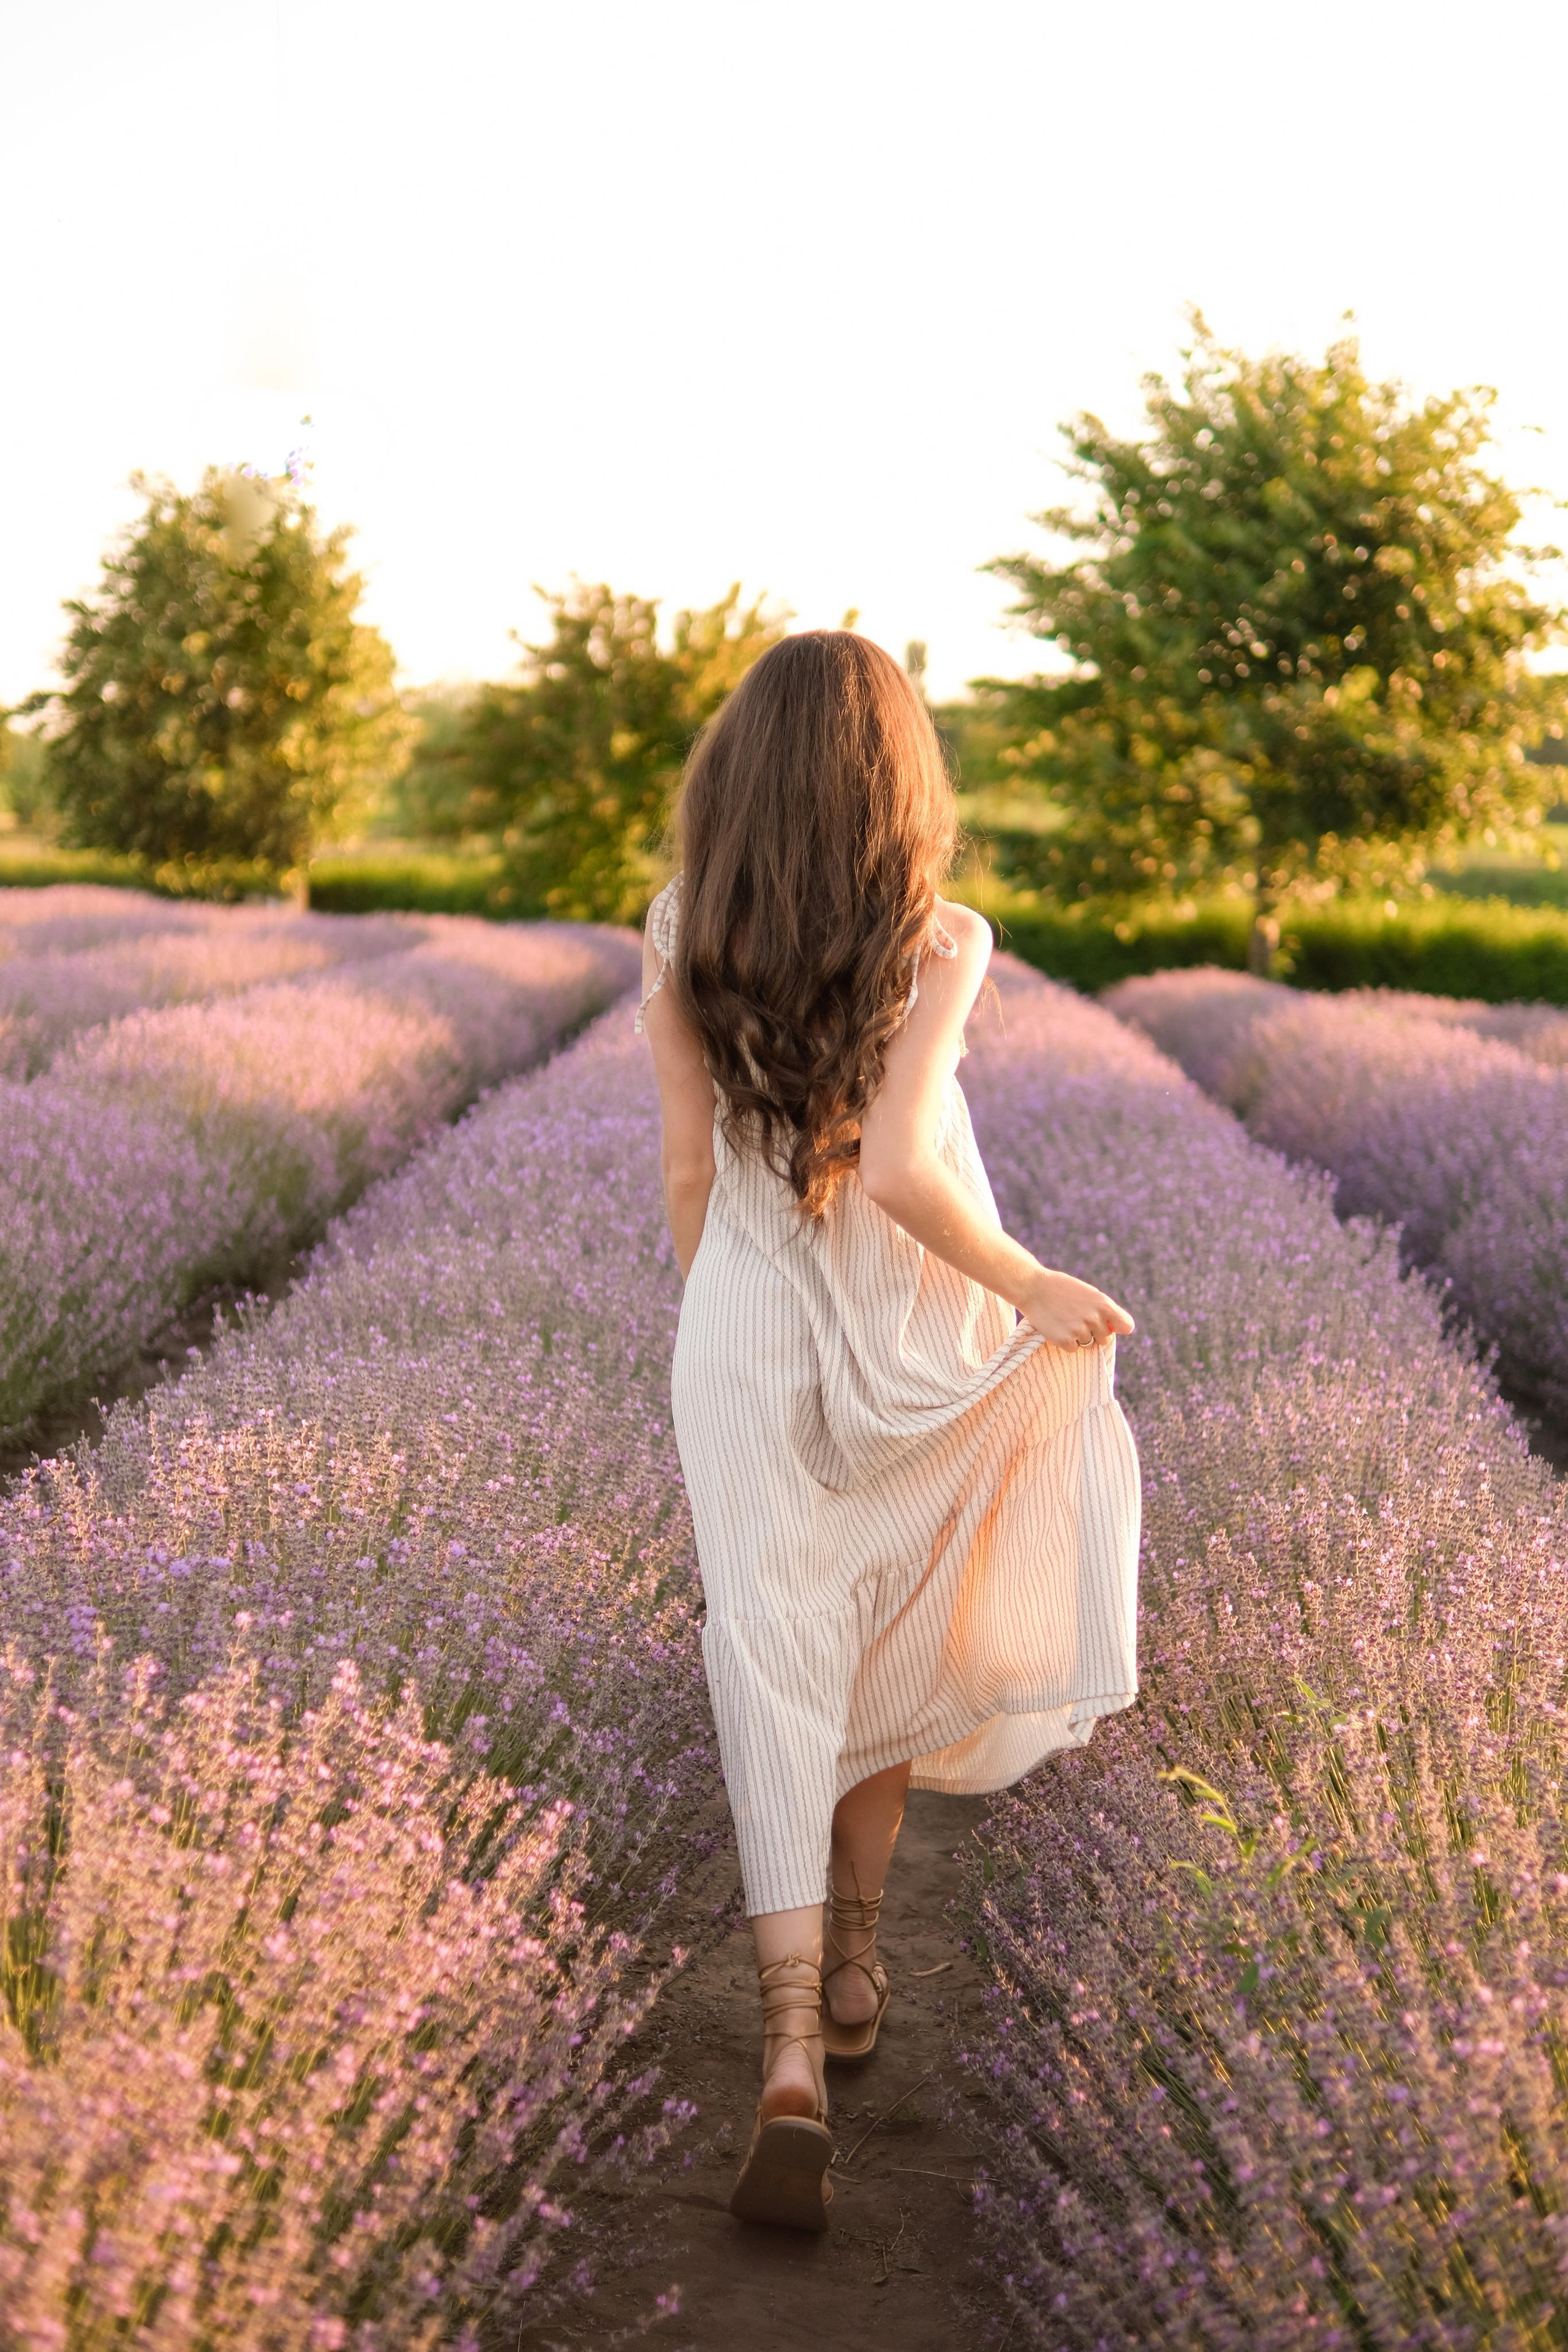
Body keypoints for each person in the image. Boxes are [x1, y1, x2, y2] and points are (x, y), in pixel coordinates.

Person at [636, 631, 1140, 2232]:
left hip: (743, 1320)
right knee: (890, 1626)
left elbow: (687, 1176)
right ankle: (859, 1954)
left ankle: (789, 2046)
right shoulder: (944, 939)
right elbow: (912, 1166)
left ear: (743, 772)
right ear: (894, 778)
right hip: (912, 1316)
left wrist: (724, 1316)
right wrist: (1029, 1281)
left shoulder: (679, 929)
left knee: (771, 1649)